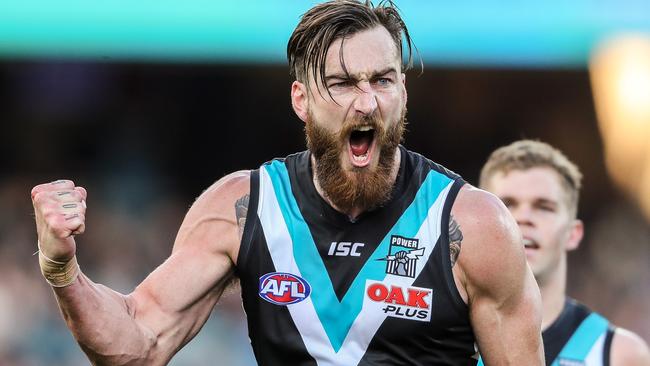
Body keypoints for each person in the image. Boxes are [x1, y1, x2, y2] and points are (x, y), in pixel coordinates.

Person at [30, 1, 544, 365]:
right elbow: (137, 347)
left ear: (403, 92)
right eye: (342, 83)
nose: (366, 103)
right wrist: (61, 267)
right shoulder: (243, 208)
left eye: (382, 80)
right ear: (301, 99)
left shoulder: (472, 225)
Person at [479, 139, 650, 366]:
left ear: (573, 233)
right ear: (479, 224)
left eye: (544, 207)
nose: (524, 218)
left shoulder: (619, 354)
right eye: (507, 204)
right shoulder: (442, 338)